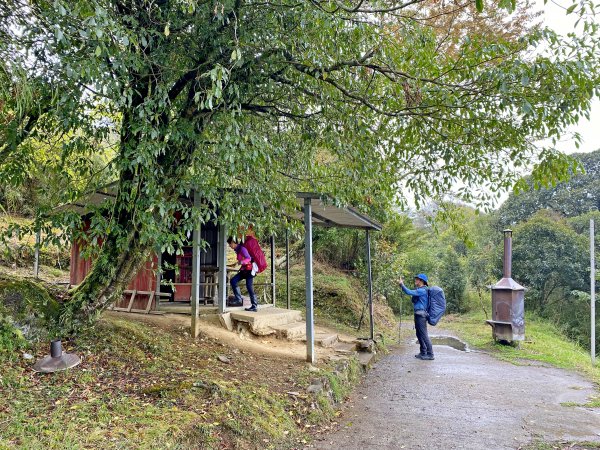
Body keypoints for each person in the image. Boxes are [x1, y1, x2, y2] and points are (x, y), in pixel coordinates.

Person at [400, 273, 434, 360]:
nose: (415, 280)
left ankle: (430, 354)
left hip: (421, 315)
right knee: (418, 334)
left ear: (422, 281)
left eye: (417, 279)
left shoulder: (422, 290)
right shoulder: (420, 290)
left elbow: (408, 292)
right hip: (418, 314)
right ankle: (423, 352)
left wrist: (402, 285)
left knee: (424, 334)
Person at [228, 236, 258, 312]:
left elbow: (248, 258)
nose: (229, 245)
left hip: (249, 270)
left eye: (229, 244)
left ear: (233, 242)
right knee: (233, 281)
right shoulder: (237, 250)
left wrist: (240, 262)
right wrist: (237, 263)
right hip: (244, 270)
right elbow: (243, 259)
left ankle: (254, 306)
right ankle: (238, 299)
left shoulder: (242, 249)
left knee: (249, 287)